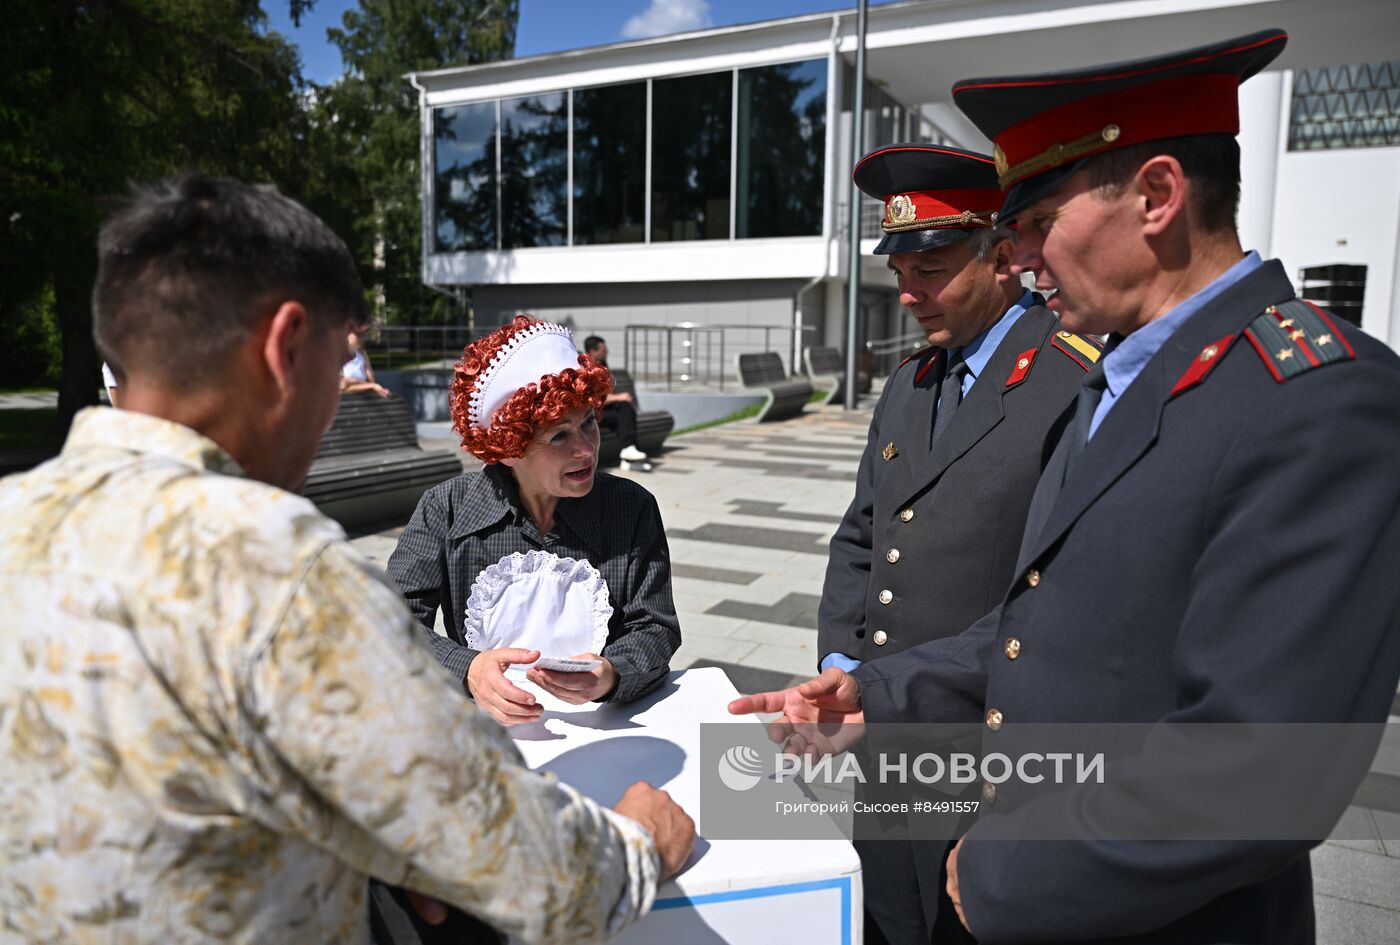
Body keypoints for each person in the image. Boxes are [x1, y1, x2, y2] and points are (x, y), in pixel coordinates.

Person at [732, 28, 1400, 944]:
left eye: (1039, 223)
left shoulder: (1321, 398)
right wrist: (878, 692)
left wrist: (1002, 870)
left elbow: (1266, 770)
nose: (1024, 258)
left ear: (1158, 195)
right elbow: (1037, 629)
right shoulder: (1119, 381)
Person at [0, 175, 694, 944]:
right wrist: (639, 841)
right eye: (340, 365)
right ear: (286, 346)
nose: (338, 400)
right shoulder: (279, 577)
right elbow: (537, 870)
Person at [818, 144, 1101, 945]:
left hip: (986, 743)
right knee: (886, 918)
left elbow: (1062, 589)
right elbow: (862, 535)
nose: (908, 294)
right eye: (899, 272)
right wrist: (843, 665)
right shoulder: (913, 381)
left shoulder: (1071, 378)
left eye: (931, 269)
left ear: (1004, 254)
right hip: (883, 733)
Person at [388, 317, 682, 728]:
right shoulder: (446, 508)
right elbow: (392, 621)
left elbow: (655, 625)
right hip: (487, 733)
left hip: (607, 728)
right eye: (559, 436)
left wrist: (613, 674)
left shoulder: (631, 507)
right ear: (507, 448)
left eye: (589, 423)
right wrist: (468, 670)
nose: (585, 449)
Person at [583, 334, 652, 471]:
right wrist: (619, 398)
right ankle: (629, 454)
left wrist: (617, 399)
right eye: (604, 350)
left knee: (625, 413)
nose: (607, 353)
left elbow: (606, 394)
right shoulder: (584, 370)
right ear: (592, 351)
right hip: (590, 415)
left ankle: (629, 455)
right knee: (624, 410)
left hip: (603, 411)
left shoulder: (602, 366)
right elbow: (592, 400)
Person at [341, 324, 391, 397]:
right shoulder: (337, 356)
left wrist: (372, 386)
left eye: (363, 335)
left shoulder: (362, 353)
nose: (363, 338)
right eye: (359, 335)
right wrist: (371, 385)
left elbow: (372, 381)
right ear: (347, 336)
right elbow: (342, 386)